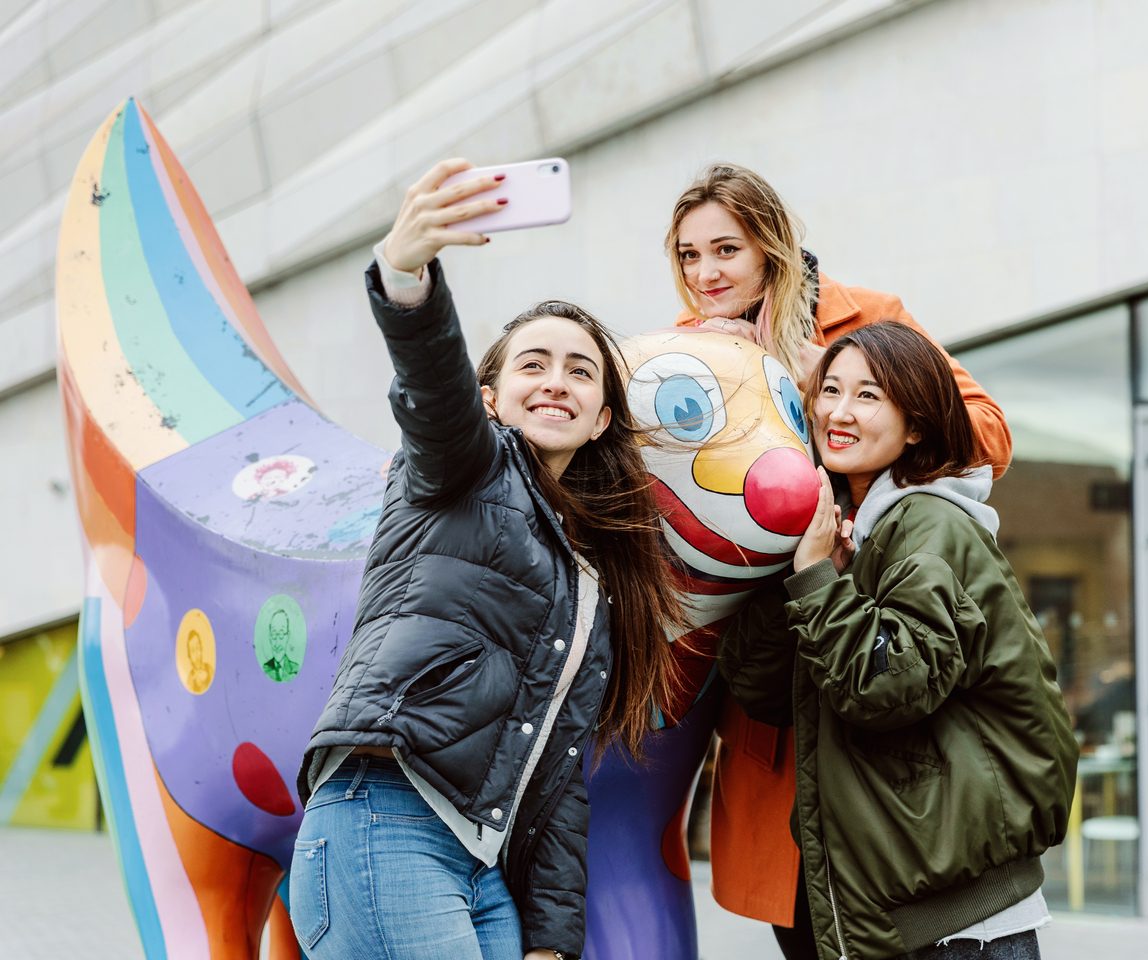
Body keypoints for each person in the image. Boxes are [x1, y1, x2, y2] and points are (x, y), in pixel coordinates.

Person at [290, 160, 685, 960]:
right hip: (384, 817)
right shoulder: (462, 466)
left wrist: (551, 939)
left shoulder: (591, 578)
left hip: (480, 862)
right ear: (492, 396)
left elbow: (558, 775)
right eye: (532, 365)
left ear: (603, 415)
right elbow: (431, 391)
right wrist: (406, 278)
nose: (556, 382)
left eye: (580, 371)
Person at [665, 162, 1014, 950]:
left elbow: (989, 433)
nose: (706, 273)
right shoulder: (677, 355)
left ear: (772, 248)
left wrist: (827, 404)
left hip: (873, 624)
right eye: (689, 256)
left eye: (726, 249)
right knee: (803, 905)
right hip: (760, 656)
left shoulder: (865, 320)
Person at [718, 322, 1076, 960]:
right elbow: (762, 690)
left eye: (868, 396)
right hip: (906, 904)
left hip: (959, 922)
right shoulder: (844, 529)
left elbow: (886, 687)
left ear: (915, 425)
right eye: (829, 389)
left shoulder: (927, 523)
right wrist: (805, 569)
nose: (839, 411)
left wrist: (814, 580)